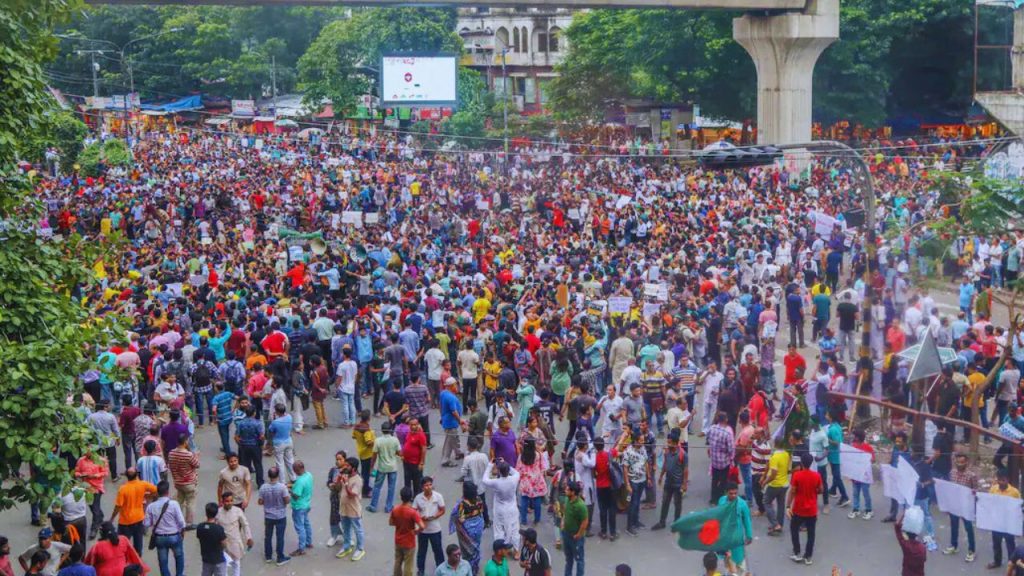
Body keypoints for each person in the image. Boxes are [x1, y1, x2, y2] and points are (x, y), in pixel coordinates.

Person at [110, 468, 157, 554]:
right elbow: (156, 490)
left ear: (126, 476)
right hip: (139, 518)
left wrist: (112, 518)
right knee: (138, 543)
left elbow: (118, 506)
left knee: (122, 544)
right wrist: (148, 496)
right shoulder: (143, 484)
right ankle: (138, 562)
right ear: (137, 475)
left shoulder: (123, 489)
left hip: (125, 521)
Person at [143, 481, 186, 576]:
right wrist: (182, 531)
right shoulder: (174, 504)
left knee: (163, 562)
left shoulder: (151, 506)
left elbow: (146, 523)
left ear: (158, 492)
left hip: (159, 538)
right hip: (174, 535)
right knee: (179, 557)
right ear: (168, 491)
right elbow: (181, 522)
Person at [786, 453, 822, 566]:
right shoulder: (816, 476)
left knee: (794, 529)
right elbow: (821, 490)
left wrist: (788, 506)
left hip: (798, 509)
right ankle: (808, 556)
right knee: (811, 533)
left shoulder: (797, 475)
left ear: (801, 462)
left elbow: (792, 491)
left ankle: (797, 552)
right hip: (811, 510)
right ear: (811, 463)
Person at [943, 452, 977, 563]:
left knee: (968, 528)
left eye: (962, 462)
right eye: (957, 462)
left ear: (966, 462)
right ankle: (954, 545)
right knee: (954, 525)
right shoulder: (952, 473)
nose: (959, 464)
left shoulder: (971, 476)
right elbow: (949, 488)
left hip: (966, 506)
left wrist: (973, 495)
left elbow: (976, 491)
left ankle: (971, 550)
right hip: (954, 504)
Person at [481, 459, 521, 552]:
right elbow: (516, 472)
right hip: (512, 508)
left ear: (499, 471)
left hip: (500, 509)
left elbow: (484, 479)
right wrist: (506, 463)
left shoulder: (496, 482)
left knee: (499, 529)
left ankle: (500, 549)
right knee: (514, 528)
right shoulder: (514, 479)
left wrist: (490, 465)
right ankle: (516, 550)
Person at [652, 428, 688, 530]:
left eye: (669, 442)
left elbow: (685, 470)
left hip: (678, 484)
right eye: (667, 442)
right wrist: (661, 476)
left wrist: (684, 484)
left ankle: (677, 523)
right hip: (668, 483)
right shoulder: (667, 452)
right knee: (665, 502)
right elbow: (665, 464)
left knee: (677, 504)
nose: (667, 444)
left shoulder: (682, 454)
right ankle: (662, 522)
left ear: (676, 443)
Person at [449, 482, 486, 575]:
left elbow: (460, 519)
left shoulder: (462, 503)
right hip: (478, 527)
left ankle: (468, 569)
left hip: (466, 530)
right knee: (476, 547)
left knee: (467, 550)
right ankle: (475, 567)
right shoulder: (479, 500)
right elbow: (481, 511)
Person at [716, 483, 753, 574]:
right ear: (726, 493)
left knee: (739, 560)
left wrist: (749, 535)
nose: (733, 495)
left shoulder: (742, 504)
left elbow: (747, 520)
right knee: (726, 560)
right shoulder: (721, 501)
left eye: (735, 493)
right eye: (731, 493)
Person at [257, 466, 291, 566]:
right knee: (280, 537)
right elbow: (287, 500)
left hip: (268, 516)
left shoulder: (263, 487)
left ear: (268, 475)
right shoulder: (282, 487)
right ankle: (280, 557)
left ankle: (268, 556)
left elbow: (260, 501)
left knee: (268, 536)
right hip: (280, 516)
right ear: (278, 475)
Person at [414, 476, 447, 576]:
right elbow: (414, 511)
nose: (428, 487)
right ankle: (421, 570)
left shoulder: (438, 496)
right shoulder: (418, 498)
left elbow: (442, 510)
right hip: (423, 530)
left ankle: (441, 570)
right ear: (422, 487)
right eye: (426, 485)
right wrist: (420, 518)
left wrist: (434, 516)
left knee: (438, 551)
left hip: (435, 529)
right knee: (421, 552)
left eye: (430, 485)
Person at [989, 468, 1021, 569]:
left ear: (1008, 480)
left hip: (1008, 523)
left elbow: (1018, 507)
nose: (1001, 482)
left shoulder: (1014, 492)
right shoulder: (993, 489)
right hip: (997, 521)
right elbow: (989, 502)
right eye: (999, 480)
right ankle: (997, 561)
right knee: (996, 543)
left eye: (1003, 480)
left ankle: (1012, 564)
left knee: (1010, 544)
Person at [167, 433, 200, 528]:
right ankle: (189, 523)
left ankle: (178, 520)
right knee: (190, 502)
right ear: (185, 442)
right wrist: (196, 455)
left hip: (178, 481)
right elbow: (197, 464)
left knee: (179, 501)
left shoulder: (171, 453)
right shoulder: (188, 454)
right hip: (189, 482)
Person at [336, 457, 366, 562]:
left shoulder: (358, 480)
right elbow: (337, 488)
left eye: (347, 466)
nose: (345, 467)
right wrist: (338, 480)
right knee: (346, 529)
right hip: (344, 508)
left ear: (353, 468)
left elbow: (352, 494)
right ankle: (346, 546)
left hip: (353, 510)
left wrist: (346, 483)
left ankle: (360, 549)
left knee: (358, 530)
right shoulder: (345, 475)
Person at [214, 493, 252, 576]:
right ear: (223, 501)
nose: (229, 503)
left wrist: (249, 538)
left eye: (231, 501)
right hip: (222, 542)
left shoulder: (238, 511)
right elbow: (213, 527)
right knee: (223, 564)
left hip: (235, 541)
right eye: (227, 501)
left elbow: (245, 524)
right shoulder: (218, 512)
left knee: (236, 563)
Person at [369, 422, 402, 514]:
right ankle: (388, 507)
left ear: (382, 430)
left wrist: (371, 467)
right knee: (391, 488)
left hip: (382, 467)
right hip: (392, 467)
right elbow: (399, 453)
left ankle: (373, 506)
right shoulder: (395, 440)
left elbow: (374, 455)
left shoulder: (378, 441)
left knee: (377, 487)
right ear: (391, 430)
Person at [391, 487, 425, 576]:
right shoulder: (412, 512)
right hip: (409, 541)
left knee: (398, 561)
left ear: (401, 496)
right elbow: (422, 526)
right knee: (408, 565)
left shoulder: (395, 509)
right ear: (411, 497)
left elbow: (391, 522)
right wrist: (416, 531)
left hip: (398, 539)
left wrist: (399, 524)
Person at [761, 437, 791, 535]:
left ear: (775, 444)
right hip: (784, 484)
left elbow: (773, 473)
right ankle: (779, 524)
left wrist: (765, 482)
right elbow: (787, 469)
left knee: (766, 502)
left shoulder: (775, 457)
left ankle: (775, 524)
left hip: (775, 484)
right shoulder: (786, 454)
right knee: (781, 504)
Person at [706, 411, 735, 504]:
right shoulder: (727, 432)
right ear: (726, 420)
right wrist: (731, 458)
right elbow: (731, 449)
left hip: (714, 460)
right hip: (724, 461)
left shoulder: (712, 428)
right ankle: (721, 499)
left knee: (714, 480)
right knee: (723, 481)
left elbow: (708, 440)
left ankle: (713, 498)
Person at [561, 481, 588, 576]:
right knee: (568, 559)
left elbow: (584, 522)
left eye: (567, 489)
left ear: (573, 492)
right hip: (566, 534)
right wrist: (563, 521)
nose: (565, 490)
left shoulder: (581, 506)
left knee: (579, 559)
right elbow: (565, 510)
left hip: (575, 537)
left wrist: (578, 534)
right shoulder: (567, 499)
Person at [196, 503, 228, 576]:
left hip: (206, 559)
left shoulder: (200, 527)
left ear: (206, 513)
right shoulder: (219, 529)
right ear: (216, 514)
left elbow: (199, 537)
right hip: (218, 559)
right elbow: (224, 544)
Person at [289, 460, 314, 555]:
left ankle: (301, 548)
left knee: (300, 527)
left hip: (298, 507)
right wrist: (292, 485)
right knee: (306, 523)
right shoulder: (308, 475)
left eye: (294, 470)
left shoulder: (300, 481)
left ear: (297, 469)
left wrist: (290, 491)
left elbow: (296, 495)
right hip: (306, 504)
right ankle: (309, 542)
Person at [440, 379, 465, 467]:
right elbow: (454, 412)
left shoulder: (443, 393)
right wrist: (461, 422)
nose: (457, 386)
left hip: (447, 421)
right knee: (449, 441)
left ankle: (458, 452)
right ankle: (445, 460)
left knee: (454, 438)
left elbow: (441, 406)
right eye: (455, 385)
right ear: (451, 386)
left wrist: (441, 416)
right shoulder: (451, 397)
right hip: (451, 422)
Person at [268, 404, 295, 483]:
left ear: (277, 412)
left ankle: (282, 481)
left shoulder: (275, 422)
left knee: (280, 463)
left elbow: (271, 430)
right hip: (288, 441)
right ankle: (293, 477)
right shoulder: (289, 417)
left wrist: (273, 419)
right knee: (290, 460)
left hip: (279, 443)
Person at [895, 510, 926, 576]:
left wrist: (904, 515)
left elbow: (897, 527)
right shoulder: (922, 547)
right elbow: (924, 559)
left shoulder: (905, 545)